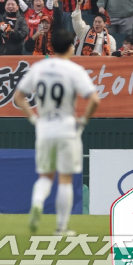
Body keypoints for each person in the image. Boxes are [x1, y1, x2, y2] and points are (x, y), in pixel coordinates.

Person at [15, 29, 101, 236]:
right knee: (65, 179)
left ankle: (37, 203)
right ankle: (61, 227)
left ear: (51, 47)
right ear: (71, 47)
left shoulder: (39, 68)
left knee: (45, 176)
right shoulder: (74, 70)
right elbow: (94, 99)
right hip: (67, 127)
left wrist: (34, 118)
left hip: (44, 127)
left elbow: (19, 97)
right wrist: (83, 121)